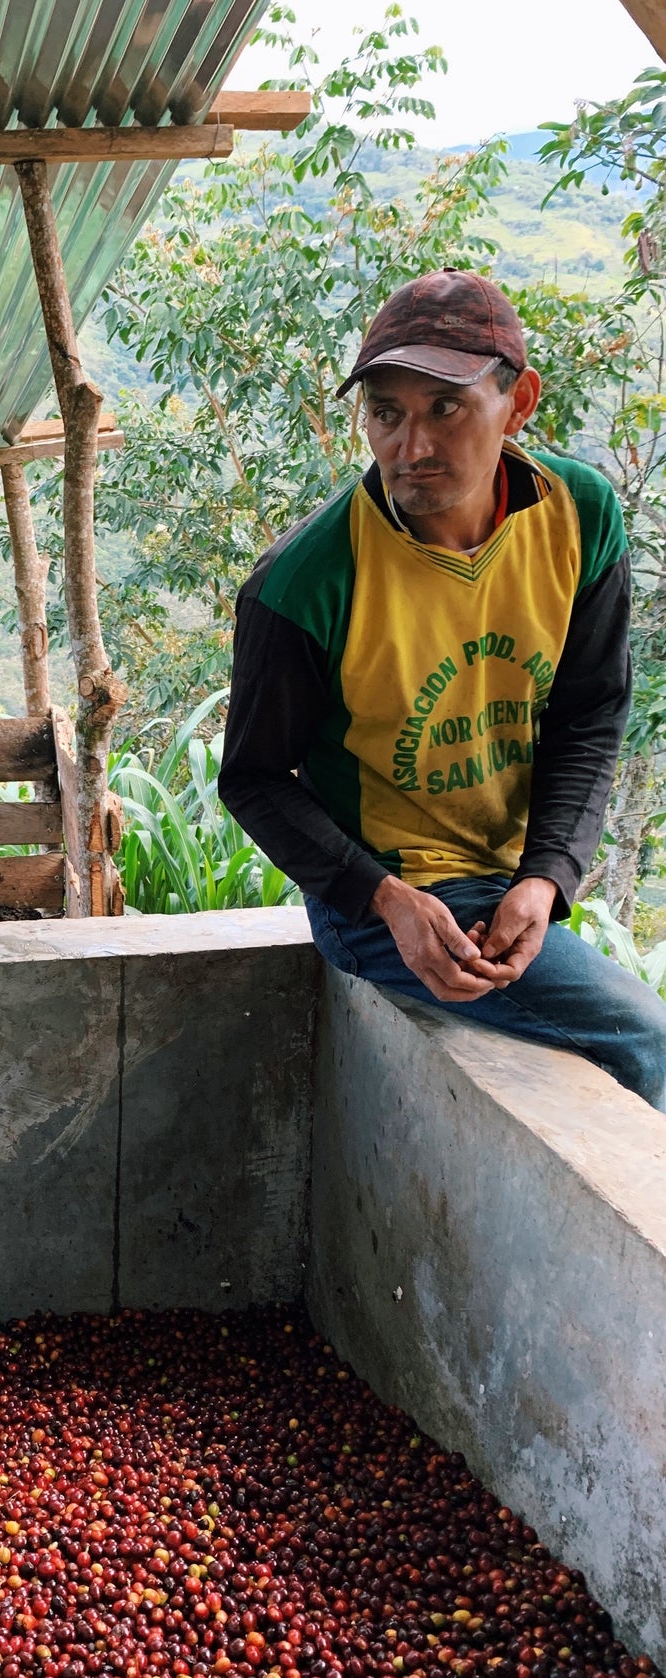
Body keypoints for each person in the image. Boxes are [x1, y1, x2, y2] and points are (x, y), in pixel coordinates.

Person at [217, 268, 666, 1109]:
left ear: (518, 402)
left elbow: (588, 713)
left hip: (506, 880)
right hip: (387, 893)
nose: (409, 446)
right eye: (385, 413)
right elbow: (250, 778)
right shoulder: (306, 580)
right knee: (642, 1039)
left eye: (444, 408)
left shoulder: (579, 516)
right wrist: (382, 899)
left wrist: (547, 877)